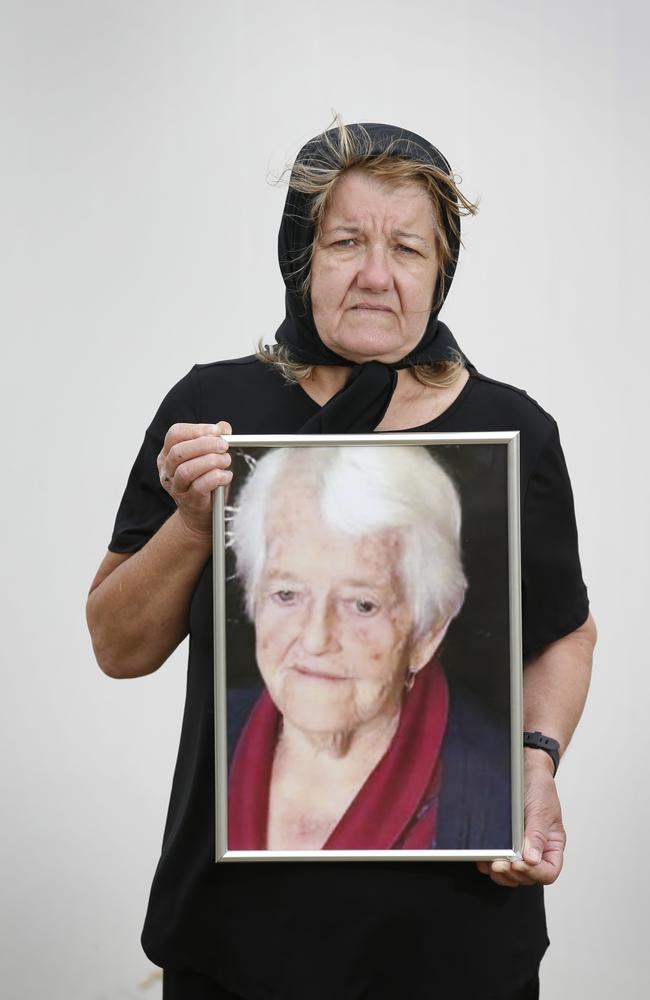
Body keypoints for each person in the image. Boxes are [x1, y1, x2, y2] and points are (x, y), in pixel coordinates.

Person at [87, 119, 596, 1000]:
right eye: (346, 241)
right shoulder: (214, 407)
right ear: (301, 256)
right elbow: (117, 646)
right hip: (233, 942)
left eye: (407, 247)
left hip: (457, 947)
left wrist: (535, 761)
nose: (375, 274)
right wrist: (194, 522)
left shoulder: (515, 430)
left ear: (441, 271)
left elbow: (565, 632)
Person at [226, 444, 510, 852]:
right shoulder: (213, 742)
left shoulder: (493, 798)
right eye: (287, 594)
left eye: (362, 604)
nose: (315, 638)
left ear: (428, 631)